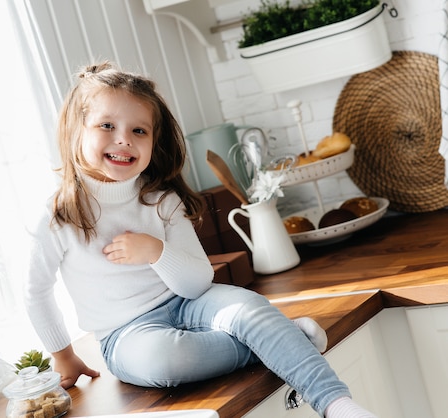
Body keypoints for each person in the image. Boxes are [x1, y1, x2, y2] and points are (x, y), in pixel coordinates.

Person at [25, 61, 376, 418]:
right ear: (76, 131)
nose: (124, 139)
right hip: (125, 334)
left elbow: (197, 284)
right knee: (167, 360)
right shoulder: (60, 215)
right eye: (107, 126)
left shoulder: (161, 200)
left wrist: (155, 251)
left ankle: (337, 404)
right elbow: (36, 291)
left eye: (139, 131)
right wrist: (63, 355)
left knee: (250, 308)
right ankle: (282, 338)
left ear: (153, 142)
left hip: (189, 302)